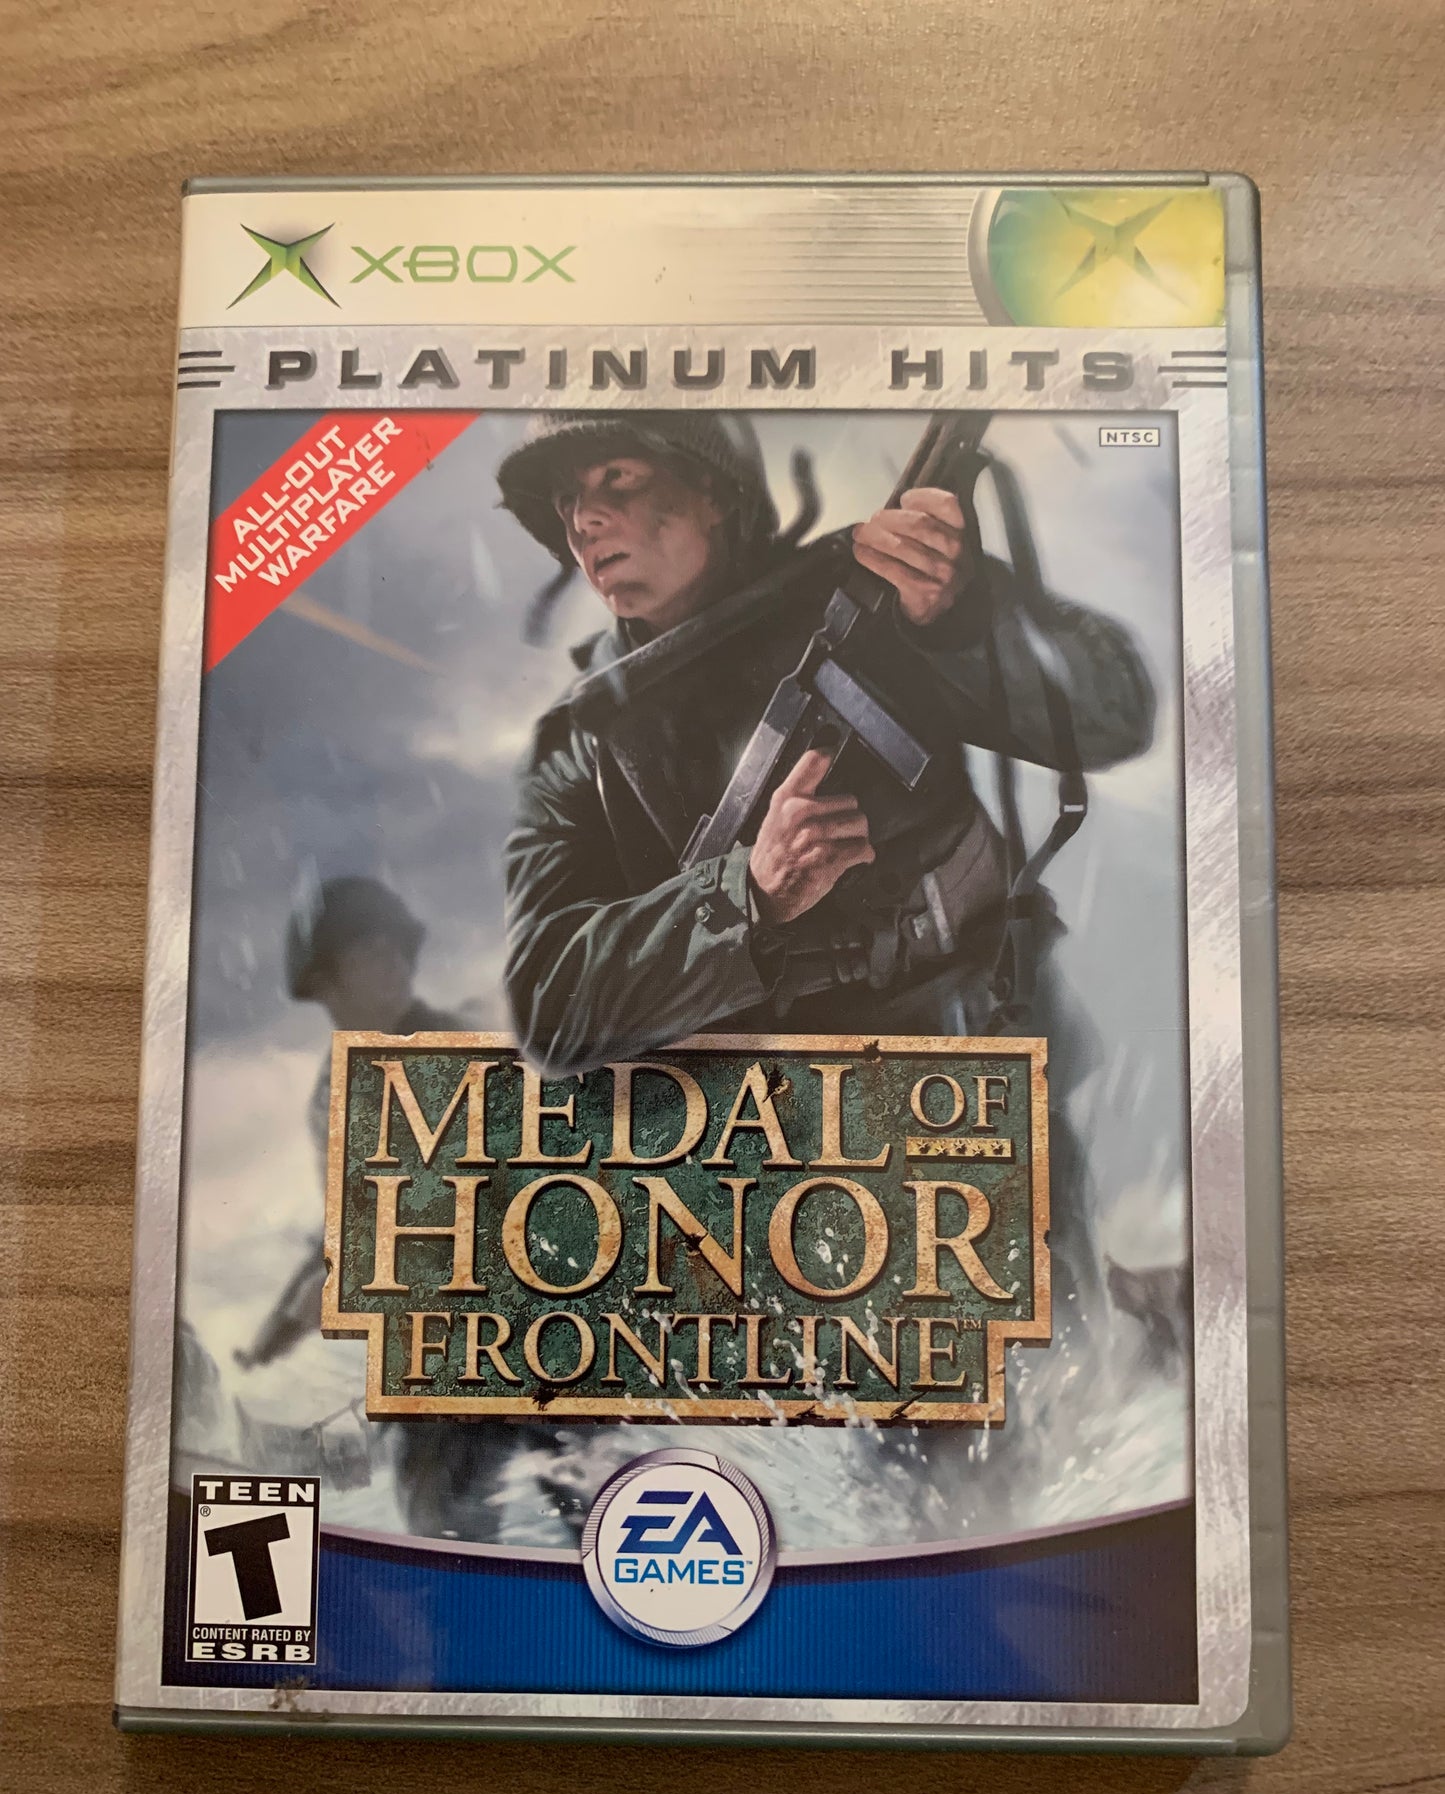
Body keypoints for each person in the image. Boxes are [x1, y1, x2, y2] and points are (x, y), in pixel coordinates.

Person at [497, 413, 1155, 1078]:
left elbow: (1114, 718)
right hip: (781, 1090)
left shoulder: (874, 580)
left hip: (983, 1028)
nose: (584, 519)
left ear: (713, 491)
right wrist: (747, 893)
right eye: (566, 500)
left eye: (617, 478)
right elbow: (548, 1009)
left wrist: (959, 620)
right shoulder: (578, 741)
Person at [236, 876, 529, 1541]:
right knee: (441, 1539)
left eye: (398, 947)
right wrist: (276, 1333)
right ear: (326, 979)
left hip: (534, 1322)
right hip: (436, 1359)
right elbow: (349, 1228)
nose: (394, 961)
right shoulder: (334, 1093)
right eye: (370, 950)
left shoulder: (465, 1038)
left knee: (595, 1501)